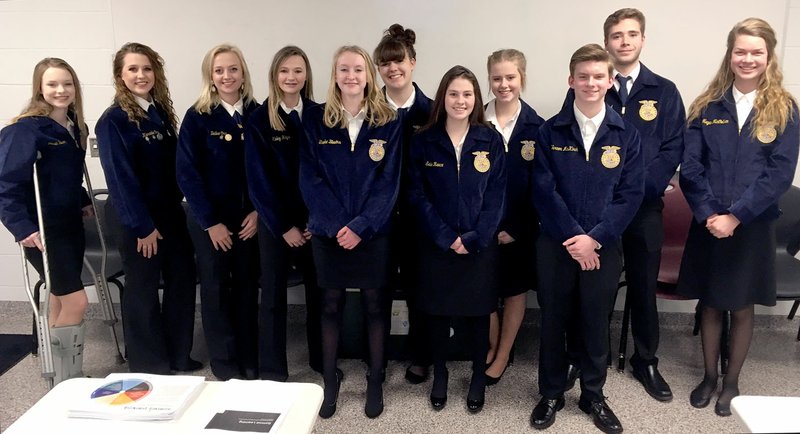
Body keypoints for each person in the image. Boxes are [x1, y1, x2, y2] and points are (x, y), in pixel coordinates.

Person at [677, 17, 799, 417]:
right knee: (711, 304)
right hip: (708, 223)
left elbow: (778, 173)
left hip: (752, 226)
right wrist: (712, 213)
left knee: (741, 306)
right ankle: (709, 377)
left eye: (756, 52)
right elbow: (691, 167)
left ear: (769, 56)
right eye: (740, 51)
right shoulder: (706, 105)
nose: (748, 59)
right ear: (730, 55)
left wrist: (737, 216)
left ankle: (731, 384)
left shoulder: (784, 109)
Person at [530, 44, 643, 434]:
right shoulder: (550, 130)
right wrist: (574, 238)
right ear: (571, 80)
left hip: (603, 247)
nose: (591, 82)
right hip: (556, 246)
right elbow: (543, 191)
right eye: (583, 76)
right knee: (553, 320)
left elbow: (630, 195)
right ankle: (550, 393)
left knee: (596, 321)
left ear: (610, 81)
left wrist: (594, 239)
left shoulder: (626, 135)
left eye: (599, 76)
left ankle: (593, 394)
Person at [299, 45, 401, 419]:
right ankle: (330, 382)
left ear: (368, 75)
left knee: (376, 306)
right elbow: (310, 180)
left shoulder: (388, 120)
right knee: (330, 306)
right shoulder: (315, 119)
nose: (352, 76)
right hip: (328, 232)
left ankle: (375, 380)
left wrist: (360, 226)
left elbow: (388, 184)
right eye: (344, 69)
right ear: (335, 75)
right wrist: (339, 224)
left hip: (373, 234)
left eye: (359, 69)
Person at [406, 65, 506, 414]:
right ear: (442, 98)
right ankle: (441, 375)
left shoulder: (489, 139)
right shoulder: (424, 139)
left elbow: (497, 194)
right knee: (436, 313)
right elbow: (417, 195)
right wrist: (447, 236)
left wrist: (476, 237)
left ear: (476, 99)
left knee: (479, 314)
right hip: (437, 245)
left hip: (480, 246)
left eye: (467, 94)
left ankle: (478, 376)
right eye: (453, 94)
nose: (460, 101)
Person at [96, 42, 199, 375]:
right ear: (120, 76)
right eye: (133, 69)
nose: (141, 75)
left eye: (147, 68)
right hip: (136, 219)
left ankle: (178, 355)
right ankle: (148, 364)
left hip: (170, 213)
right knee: (142, 289)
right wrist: (142, 226)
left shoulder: (160, 112)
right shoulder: (114, 121)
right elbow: (120, 179)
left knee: (182, 281)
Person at [603, 7, 685, 401]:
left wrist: (637, 191)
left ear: (642, 40)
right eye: (617, 35)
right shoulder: (592, 83)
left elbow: (672, 148)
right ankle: (589, 354)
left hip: (644, 209)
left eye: (631, 34)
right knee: (595, 286)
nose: (624, 41)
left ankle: (646, 360)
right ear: (607, 42)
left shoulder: (663, 91)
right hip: (598, 212)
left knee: (642, 288)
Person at [0, 58, 92, 383]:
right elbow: (7, 184)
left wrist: (82, 201)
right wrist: (21, 227)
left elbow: (65, 177)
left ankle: (54, 372)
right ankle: (69, 376)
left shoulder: (75, 126)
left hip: (70, 225)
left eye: (67, 83)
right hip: (43, 231)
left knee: (58, 297)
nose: (61, 90)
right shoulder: (24, 130)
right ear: (40, 87)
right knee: (77, 301)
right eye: (52, 84)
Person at [177, 44, 259, 381]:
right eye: (219, 70)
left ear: (243, 74)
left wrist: (258, 212)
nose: (227, 76)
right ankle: (224, 364)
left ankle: (249, 358)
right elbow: (187, 174)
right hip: (210, 223)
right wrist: (210, 223)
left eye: (233, 69)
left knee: (246, 287)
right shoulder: (197, 117)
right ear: (210, 76)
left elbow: (269, 171)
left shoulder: (258, 113)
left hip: (250, 221)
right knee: (215, 290)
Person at [245, 45, 322, 380]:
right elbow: (258, 181)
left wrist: (314, 221)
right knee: (273, 296)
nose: (292, 77)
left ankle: (322, 360)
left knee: (319, 294)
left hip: (314, 224)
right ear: (274, 75)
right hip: (276, 225)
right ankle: (274, 370)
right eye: (285, 71)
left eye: (298, 71)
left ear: (307, 76)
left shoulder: (320, 114)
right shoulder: (260, 118)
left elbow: (327, 173)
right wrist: (284, 226)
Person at [373, 23, 433, 384]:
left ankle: (420, 356)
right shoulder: (368, 109)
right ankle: (376, 358)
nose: (393, 69)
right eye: (385, 64)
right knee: (376, 290)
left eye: (399, 62)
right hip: (377, 219)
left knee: (418, 290)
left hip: (418, 219)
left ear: (412, 62)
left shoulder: (431, 112)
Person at [483, 48, 544, 385]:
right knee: (485, 288)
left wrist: (518, 228)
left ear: (522, 78)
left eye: (510, 77)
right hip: (483, 227)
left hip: (521, 228)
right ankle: (491, 344)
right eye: (497, 77)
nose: (503, 84)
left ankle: (504, 352)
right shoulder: (476, 120)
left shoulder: (538, 127)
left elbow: (542, 185)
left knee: (515, 289)